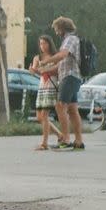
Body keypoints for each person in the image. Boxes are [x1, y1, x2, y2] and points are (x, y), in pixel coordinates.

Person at [40, 16, 85, 150]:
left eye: (56, 29)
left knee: (60, 106)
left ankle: (65, 139)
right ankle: (78, 141)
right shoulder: (69, 40)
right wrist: (44, 70)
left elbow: (62, 55)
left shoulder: (70, 39)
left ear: (61, 28)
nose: (56, 32)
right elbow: (60, 65)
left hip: (70, 77)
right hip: (70, 76)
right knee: (72, 109)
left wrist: (46, 61)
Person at [29, 35, 63, 150]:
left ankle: (44, 143)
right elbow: (35, 71)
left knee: (44, 115)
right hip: (42, 87)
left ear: (49, 44)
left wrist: (47, 69)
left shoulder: (55, 57)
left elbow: (59, 71)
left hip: (51, 86)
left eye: (44, 43)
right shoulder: (37, 57)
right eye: (40, 43)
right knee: (40, 117)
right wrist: (33, 70)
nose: (42, 46)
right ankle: (59, 135)